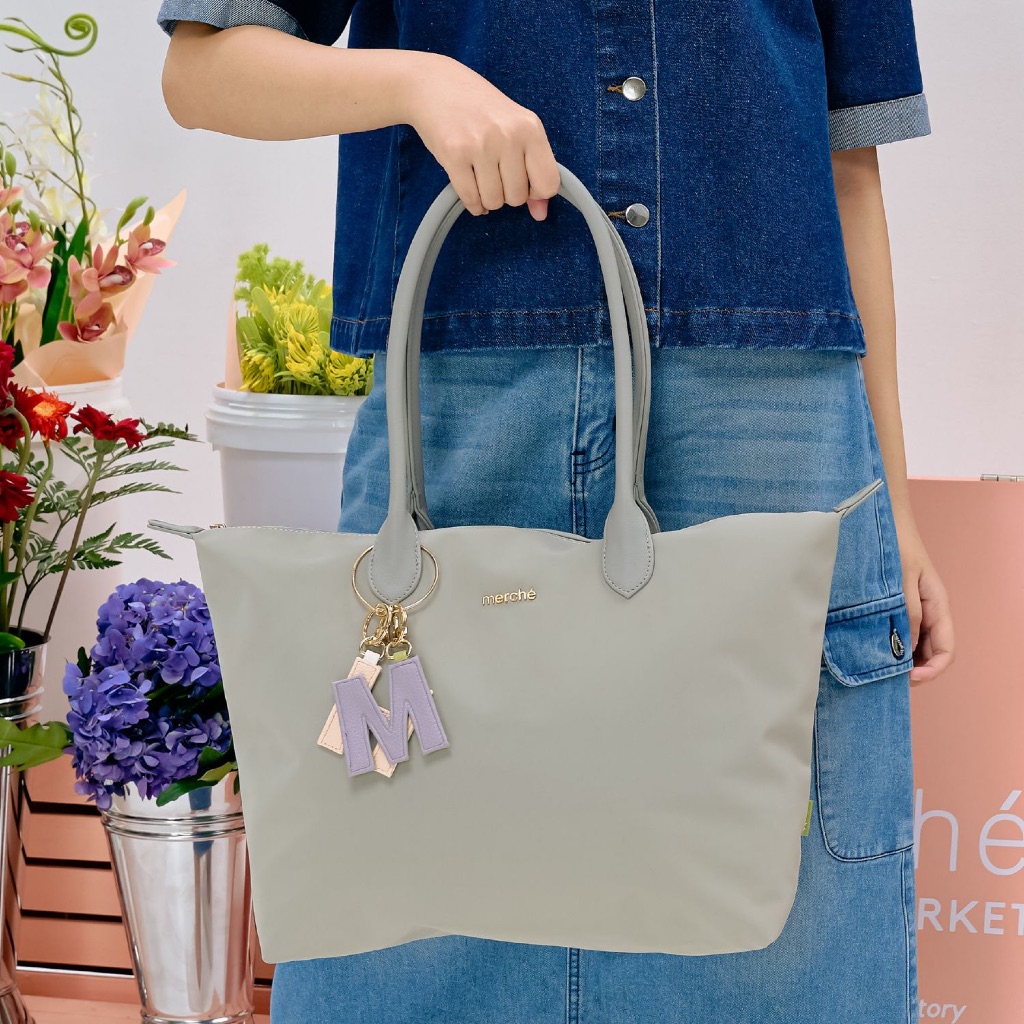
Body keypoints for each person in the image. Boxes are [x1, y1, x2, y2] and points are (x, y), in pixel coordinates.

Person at [157, 1, 956, 1020]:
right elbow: (202, 71)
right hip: (461, 415)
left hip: (765, 425)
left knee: (775, 948)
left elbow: (848, 167)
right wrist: (417, 82)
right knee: (407, 913)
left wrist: (894, 502)